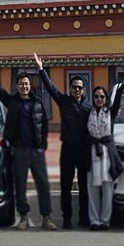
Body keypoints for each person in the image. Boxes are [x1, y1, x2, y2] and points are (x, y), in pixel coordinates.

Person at [0, 57, 55, 230]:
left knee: (43, 185)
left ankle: (46, 217)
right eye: (21, 84)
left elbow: (44, 124)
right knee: (20, 185)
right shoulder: (13, 102)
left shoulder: (37, 103)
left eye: (26, 84)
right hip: (19, 150)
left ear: (30, 86)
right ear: (17, 86)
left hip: (36, 150)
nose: (24, 86)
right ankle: (23, 217)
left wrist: (43, 144)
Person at [33, 52, 90, 229]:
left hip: (83, 150)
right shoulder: (64, 101)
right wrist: (41, 70)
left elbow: (104, 115)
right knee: (66, 186)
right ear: (70, 88)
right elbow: (51, 88)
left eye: (80, 87)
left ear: (84, 89)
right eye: (74, 87)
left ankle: (84, 216)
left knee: (84, 186)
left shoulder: (89, 107)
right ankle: (67, 217)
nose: (77, 90)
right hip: (68, 149)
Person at [85, 77, 124, 230]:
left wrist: (123, 84)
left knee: (108, 189)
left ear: (105, 98)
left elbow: (117, 100)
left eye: (102, 96)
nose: (99, 99)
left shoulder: (110, 112)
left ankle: (105, 220)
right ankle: (94, 220)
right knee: (93, 189)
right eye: (96, 96)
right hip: (92, 153)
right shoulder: (87, 113)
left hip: (107, 154)